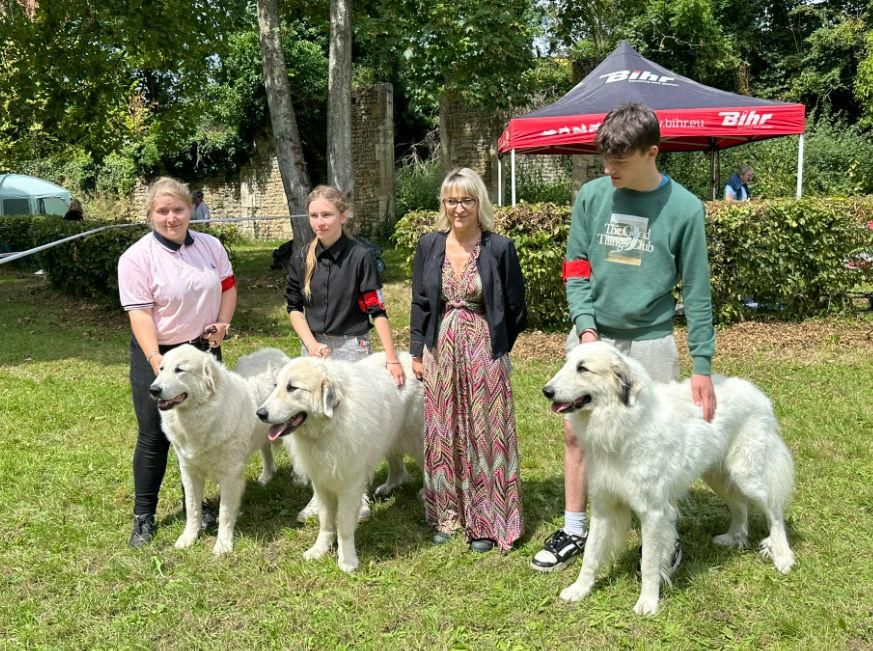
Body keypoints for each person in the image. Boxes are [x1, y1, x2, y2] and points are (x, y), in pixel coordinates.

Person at [530, 102, 716, 573]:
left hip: (651, 339)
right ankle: (576, 528)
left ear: (652, 153)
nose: (609, 168)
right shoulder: (592, 196)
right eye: (605, 159)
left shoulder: (685, 209)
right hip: (594, 333)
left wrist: (703, 365)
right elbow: (576, 269)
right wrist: (587, 330)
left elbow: (696, 291)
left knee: (654, 438)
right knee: (578, 435)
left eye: (620, 160)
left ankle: (660, 531)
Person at [410, 167, 528, 553]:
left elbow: (516, 307)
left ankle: (485, 519)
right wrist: (417, 351)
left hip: (484, 351)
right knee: (445, 432)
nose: (458, 208)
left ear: (479, 202)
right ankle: (448, 514)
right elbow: (421, 302)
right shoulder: (430, 245)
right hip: (440, 348)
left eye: (466, 200)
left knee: (484, 432)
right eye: (451, 200)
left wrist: (496, 350)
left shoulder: (498, 247)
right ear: (443, 204)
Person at [117, 177, 237, 547]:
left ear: (191, 210)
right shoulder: (136, 258)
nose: (171, 217)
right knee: (155, 435)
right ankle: (144, 516)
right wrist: (156, 360)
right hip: (158, 353)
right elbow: (140, 315)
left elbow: (228, 289)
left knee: (204, 433)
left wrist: (223, 324)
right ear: (151, 214)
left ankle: (199, 507)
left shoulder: (211, 246)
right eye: (162, 211)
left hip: (203, 354)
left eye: (178, 209)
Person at [286, 184, 405, 524]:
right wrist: (310, 344)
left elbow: (376, 309)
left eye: (327, 215)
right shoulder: (301, 256)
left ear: (343, 215)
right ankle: (318, 493)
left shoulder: (359, 257)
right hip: (313, 348)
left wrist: (392, 358)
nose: (320, 222)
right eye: (314, 216)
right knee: (311, 422)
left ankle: (359, 493)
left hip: (352, 347)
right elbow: (294, 308)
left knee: (350, 425)